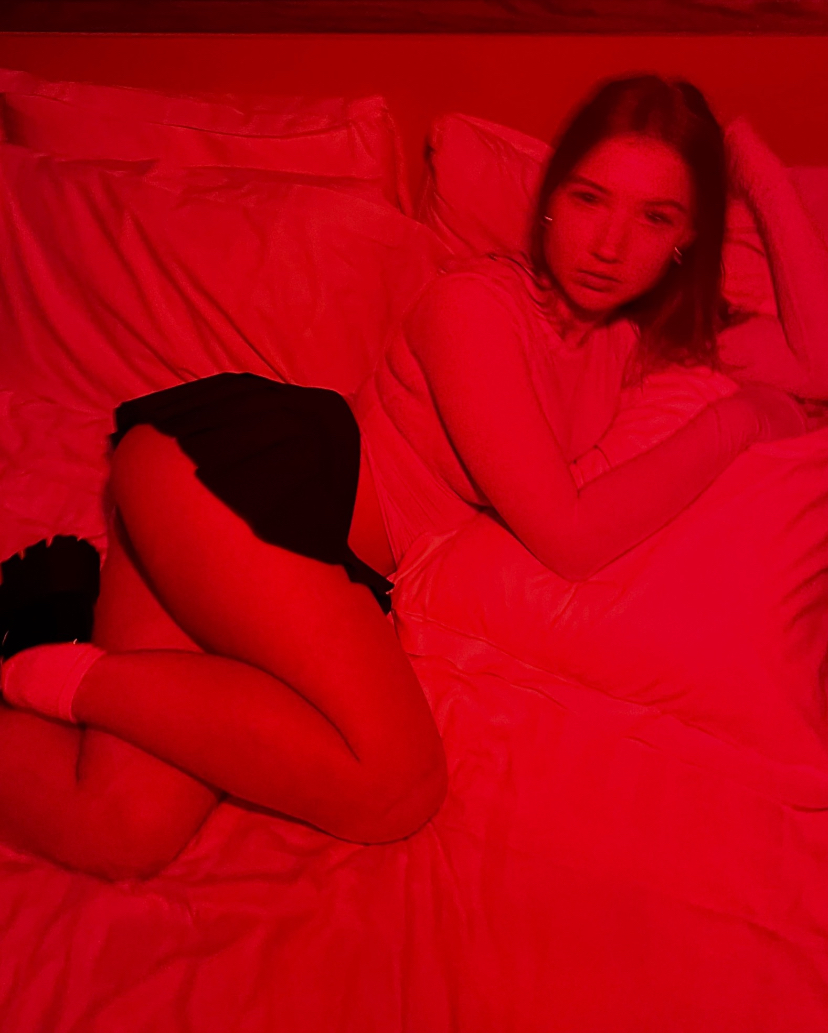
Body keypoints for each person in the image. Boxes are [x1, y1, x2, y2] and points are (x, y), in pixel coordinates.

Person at [0, 75, 825, 880]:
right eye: (588, 198)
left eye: (655, 216)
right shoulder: (476, 306)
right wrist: (738, 422)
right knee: (395, 784)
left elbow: (818, 364)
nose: (609, 244)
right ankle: (43, 655)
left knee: (118, 825)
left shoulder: (630, 341)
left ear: (687, 238)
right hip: (243, 484)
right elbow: (568, 535)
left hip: (277, 553)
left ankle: (48, 625)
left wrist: (753, 169)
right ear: (550, 196)